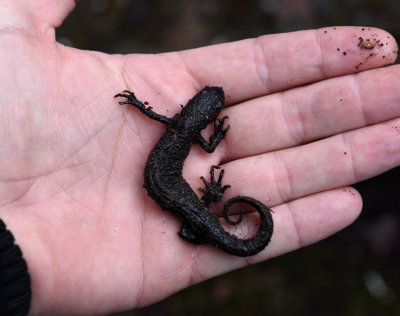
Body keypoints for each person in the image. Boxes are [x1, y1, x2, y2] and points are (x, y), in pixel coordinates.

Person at [0, 1, 399, 315]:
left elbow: (165, 123)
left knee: (193, 210)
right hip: (177, 197)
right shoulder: (189, 138)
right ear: (199, 112)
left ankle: (210, 207)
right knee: (192, 215)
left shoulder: (180, 126)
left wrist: (144, 106)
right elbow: (197, 186)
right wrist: (216, 151)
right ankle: (210, 208)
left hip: (173, 189)